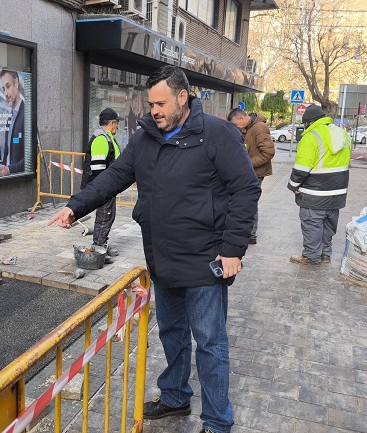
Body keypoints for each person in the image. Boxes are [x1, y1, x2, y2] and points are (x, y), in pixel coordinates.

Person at [48, 65, 260, 433]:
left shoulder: (218, 134)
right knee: (172, 333)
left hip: (205, 261)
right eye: (151, 104)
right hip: (162, 259)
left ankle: (217, 421)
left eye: (161, 103)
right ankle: (175, 397)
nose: (154, 110)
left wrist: (232, 250)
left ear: (183, 97)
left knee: (210, 342)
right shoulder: (145, 138)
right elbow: (113, 177)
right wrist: (74, 205)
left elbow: (246, 190)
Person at [287, 104, 351, 266]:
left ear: (308, 122)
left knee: (312, 224)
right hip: (337, 191)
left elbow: (301, 168)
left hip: (315, 193)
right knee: (328, 224)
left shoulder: (311, 137)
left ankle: (311, 256)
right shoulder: (342, 133)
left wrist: (293, 186)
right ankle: (325, 254)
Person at [227, 108, 275, 244]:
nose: (236, 127)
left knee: (250, 202)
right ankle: (248, 233)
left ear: (241, 119)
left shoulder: (259, 127)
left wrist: (247, 163)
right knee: (246, 202)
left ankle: (251, 235)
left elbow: (268, 153)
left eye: (235, 124)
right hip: (249, 172)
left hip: (255, 173)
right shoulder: (248, 128)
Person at [81, 108, 122, 256]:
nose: (117, 126)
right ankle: (98, 247)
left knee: (107, 215)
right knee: (105, 216)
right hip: (104, 187)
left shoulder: (107, 137)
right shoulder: (101, 139)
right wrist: (104, 189)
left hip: (108, 186)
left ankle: (102, 243)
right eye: (117, 123)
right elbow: (98, 169)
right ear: (111, 123)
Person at [0, 69, 26, 176]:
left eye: (8, 86)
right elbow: (7, 154)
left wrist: (10, 170)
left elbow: (31, 157)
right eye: (3, 89)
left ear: (16, 83)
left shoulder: (26, 115)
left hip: (19, 180)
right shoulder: (10, 119)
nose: (5, 94)